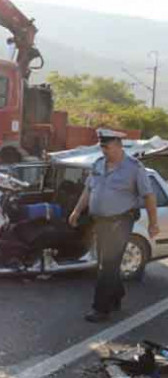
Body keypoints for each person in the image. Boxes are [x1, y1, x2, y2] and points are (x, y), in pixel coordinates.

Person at [69, 129, 160, 323]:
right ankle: (117, 295)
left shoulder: (134, 168)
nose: (104, 151)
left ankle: (100, 309)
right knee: (105, 261)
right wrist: (77, 211)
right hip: (100, 222)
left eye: (107, 147)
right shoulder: (98, 164)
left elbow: (148, 196)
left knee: (107, 265)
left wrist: (153, 223)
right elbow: (88, 189)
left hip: (121, 221)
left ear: (119, 146)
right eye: (102, 147)